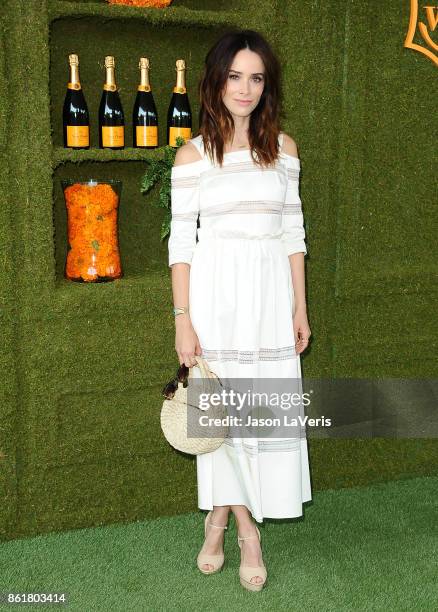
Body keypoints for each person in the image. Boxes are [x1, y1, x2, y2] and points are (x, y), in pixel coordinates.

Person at [168, 29, 312, 592]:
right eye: (235, 76)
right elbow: (182, 244)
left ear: (266, 86)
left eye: (256, 77)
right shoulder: (193, 155)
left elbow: (293, 234)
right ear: (216, 80)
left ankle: (219, 517)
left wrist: (301, 305)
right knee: (223, 418)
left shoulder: (286, 152)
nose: (245, 88)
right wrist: (183, 316)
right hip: (216, 298)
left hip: (270, 300)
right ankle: (246, 530)